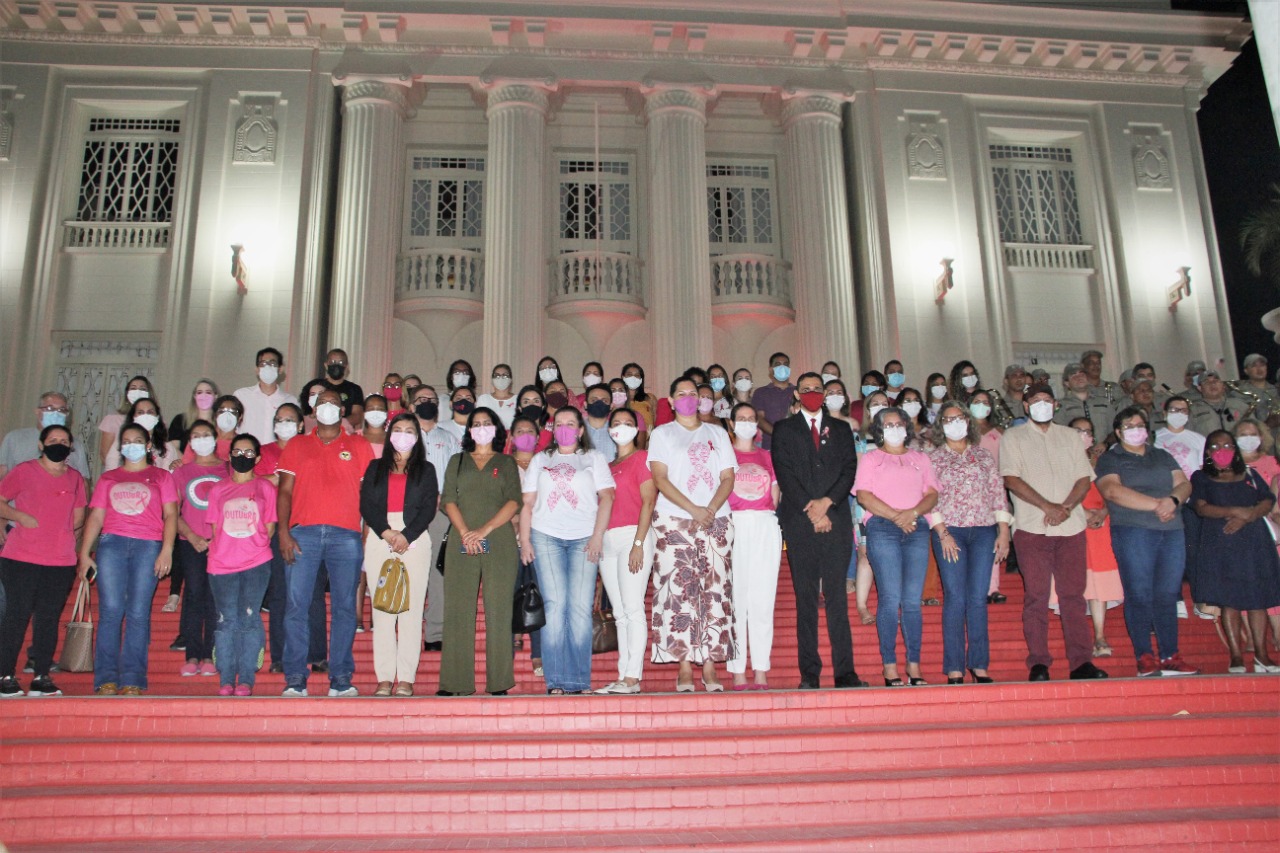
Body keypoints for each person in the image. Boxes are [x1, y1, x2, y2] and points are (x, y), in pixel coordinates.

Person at [1000, 383, 1108, 681]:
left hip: (1071, 527)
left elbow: (1084, 478)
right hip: (1032, 527)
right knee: (1036, 596)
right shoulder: (1013, 436)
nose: (1042, 405)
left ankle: (1081, 662)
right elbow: (1011, 478)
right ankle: (1039, 662)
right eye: (1035, 401)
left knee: (1073, 596)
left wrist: (1067, 507)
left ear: (1056, 404)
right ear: (1025, 406)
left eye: (1047, 400)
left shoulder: (1071, 436)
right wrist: (1048, 507)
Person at [276, 387, 375, 697]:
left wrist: (366, 533)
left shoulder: (358, 445)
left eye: (334, 402)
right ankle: (295, 678)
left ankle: (341, 678)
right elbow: (285, 492)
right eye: (322, 403)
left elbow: (369, 495)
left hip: (346, 535)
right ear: (312, 409)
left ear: (343, 410)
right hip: (302, 533)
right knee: (297, 607)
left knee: (345, 608)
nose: (328, 407)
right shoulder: (297, 444)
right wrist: (283, 532)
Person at [773, 372, 863, 689]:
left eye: (818, 389)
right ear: (796, 394)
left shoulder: (840, 429)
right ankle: (809, 673)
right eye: (806, 389)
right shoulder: (784, 430)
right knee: (806, 599)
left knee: (837, 598)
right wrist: (811, 509)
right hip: (800, 523)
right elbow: (784, 473)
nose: (812, 393)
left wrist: (827, 503)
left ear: (825, 394)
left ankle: (845, 672)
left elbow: (849, 469)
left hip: (836, 520)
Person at [648, 376, 737, 691]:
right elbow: (660, 478)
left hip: (716, 519)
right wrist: (693, 509)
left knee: (715, 591)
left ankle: (710, 665)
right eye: (681, 394)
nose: (688, 398)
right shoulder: (662, 434)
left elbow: (727, 477)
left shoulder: (717, 432)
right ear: (671, 401)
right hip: (674, 520)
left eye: (693, 394)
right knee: (680, 591)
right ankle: (684, 665)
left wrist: (709, 510)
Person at [520, 406, 615, 694]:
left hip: (585, 538)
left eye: (570, 423)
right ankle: (556, 680)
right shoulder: (540, 459)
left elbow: (607, 498)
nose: (564, 427)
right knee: (555, 604)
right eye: (558, 423)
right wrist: (525, 541)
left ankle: (578, 679)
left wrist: (598, 537)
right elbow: (527, 504)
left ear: (580, 430)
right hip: (546, 537)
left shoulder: (594, 458)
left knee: (579, 609)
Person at [1095, 407, 1197, 676]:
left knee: (1167, 594)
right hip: (1134, 530)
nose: (1136, 429)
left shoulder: (1161, 454)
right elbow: (1112, 491)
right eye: (1129, 425)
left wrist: (1173, 501)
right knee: (1139, 594)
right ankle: (1144, 656)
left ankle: (1170, 655)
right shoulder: (1110, 458)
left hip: (1171, 530)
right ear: (1118, 431)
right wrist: (1157, 505)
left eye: (1140, 424)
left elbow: (1184, 484)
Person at [79, 422, 179, 695]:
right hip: (112, 545)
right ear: (121, 447)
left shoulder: (161, 476)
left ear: (148, 446)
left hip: (148, 546)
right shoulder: (109, 478)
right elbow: (96, 516)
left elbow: (171, 514)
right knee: (111, 611)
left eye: (138, 440)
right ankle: (106, 678)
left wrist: (167, 549)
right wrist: (84, 554)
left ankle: (133, 678)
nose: (132, 444)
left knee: (137, 612)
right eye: (127, 440)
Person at [926, 401, 1011, 684]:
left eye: (959, 418)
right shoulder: (933, 458)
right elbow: (928, 497)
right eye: (948, 419)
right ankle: (954, 667)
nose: (955, 423)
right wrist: (942, 532)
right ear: (941, 426)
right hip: (950, 532)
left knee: (977, 598)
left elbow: (997, 492)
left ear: (968, 421)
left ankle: (979, 663)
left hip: (984, 530)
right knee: (955, 597)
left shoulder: (983, 456)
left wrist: (1003, 530)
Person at [854, 407, 940, 686]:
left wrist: (911, 514)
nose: (894, 428)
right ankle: (889, 665)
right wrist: (896, 516)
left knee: (912, 601)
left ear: (906, 426)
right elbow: (864, 496)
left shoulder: (920, 458)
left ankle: (913, 664)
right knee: (890, 598)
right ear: (879, 429)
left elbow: (932, 494)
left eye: (898, 423)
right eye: (887, 424)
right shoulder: (871, 458)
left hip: (916, 528)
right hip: (882, 527)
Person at [0, 425, 87, 698]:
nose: (58, 444)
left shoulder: (74, 478)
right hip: (21, 557)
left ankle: (41, 676)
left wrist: (63, 534)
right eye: (52, 440)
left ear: (71, 446)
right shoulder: (25, 470)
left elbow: (79, 515)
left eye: (64, 441)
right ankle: (5, 675)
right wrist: (20, 516)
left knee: (48, 618)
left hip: (60, 560)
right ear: (41, 445)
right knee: (16, 615)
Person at [440, 407, 522, 695]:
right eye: (476, 424)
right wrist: (465, 533)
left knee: (498, 610)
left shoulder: (506, 462)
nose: (482, 427)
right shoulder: (457, 461)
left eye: (487, 423)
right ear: (469, 430)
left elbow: (514, 501)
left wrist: (483, 531)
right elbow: (448, 499)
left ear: (497, 429)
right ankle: (455, 682)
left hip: (497, 540)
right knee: (458, 609)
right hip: (462, 541)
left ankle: (499, 681)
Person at [359, 412, 438, 697]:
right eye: (398, 430)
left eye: (409, 431)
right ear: (390, 434)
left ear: (417, 438)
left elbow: (429, 508)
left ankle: (405, 677)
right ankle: (384, 677)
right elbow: (366, 504)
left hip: (414, 539)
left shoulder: (426, 470)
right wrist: (387, 532)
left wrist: (407, 535)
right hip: (381, 537)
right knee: (382, 611)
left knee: (410, 612)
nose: (403, 435)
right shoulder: (374, 467)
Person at [1190, 431, 1280, 673]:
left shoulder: (1248, 473)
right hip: (1222, 543)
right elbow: (1201, 508)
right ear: (1208, 451)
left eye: (1228, 444)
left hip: (1254, 542)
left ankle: (1262, 656)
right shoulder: (1201, 477)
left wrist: (1248, 516)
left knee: (1258, 599)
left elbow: (1267, 499)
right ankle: (1236, 656)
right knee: (1229, 599)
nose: (1223, 449)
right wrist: (1237, 511)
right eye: (1216, 445)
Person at [205, 433, 277, 696]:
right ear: (230, 455)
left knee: (248, 617)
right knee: (225, 620)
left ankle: (246, 678)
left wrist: (252, 548)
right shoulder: (218, 489)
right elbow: (215, 528)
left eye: (249, 453)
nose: (242, 457)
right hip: (221, 564)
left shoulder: (265, 488)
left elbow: (269, 527)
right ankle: (226, 677)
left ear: (257, 458)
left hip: (256, 562)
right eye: (238, 451)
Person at [257, 404, 327, 673]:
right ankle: (280, 656)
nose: (284, 423)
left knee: (314, 594)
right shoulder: (264, 452)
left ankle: (317, 654)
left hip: (310, 525)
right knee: (280, 594)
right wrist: (271, 479)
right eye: (279, 420)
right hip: (274, 528)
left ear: (301, 424)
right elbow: (248, 479)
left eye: (290, 420)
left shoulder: (313, 447)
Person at [594, 408, 656, 694]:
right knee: (619, 612)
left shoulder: (642, 458)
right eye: (616, 423)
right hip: (608, 540)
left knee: (633, 609)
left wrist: (639, 544)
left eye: (627, 423)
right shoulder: (606, 465)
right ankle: (623, 676)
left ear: (637, 428)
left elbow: (648, 502)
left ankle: (633, 676)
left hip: (634, 534)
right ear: (609, 430)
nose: (621, 427)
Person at [726, 402, 782, 690]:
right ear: (732, 423)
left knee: (762, 600)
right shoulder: (723, 454)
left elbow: (775, 493)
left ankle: (761, 667)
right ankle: (737, 668)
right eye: (741, 418)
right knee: (736, 599)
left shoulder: (767, 456)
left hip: (764, 524)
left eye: (751, 418)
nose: (747, 422)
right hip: (734, 524)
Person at [172, 420, 227, 678]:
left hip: (220, 544)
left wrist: (217, 538)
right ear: (190, 441)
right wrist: (192, 535)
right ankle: (192, 655)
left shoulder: (227, 469)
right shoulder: (182, 472)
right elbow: (172, 512)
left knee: (215, 599)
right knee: (194, 596)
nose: (201, 439)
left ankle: (210, 655)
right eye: (196, 435)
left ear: (215, 438)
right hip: (190, 542)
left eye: (206, 435)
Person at [408, 384, 461, 652]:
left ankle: (434, 634)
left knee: (439, 573)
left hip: (441, 513)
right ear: (411, 406)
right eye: (420, 399)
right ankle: (407, 632)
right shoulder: (402, 437)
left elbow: (457, 474)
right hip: (409, 514)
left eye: (431, 399)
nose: (426, 403)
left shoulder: (449, 438)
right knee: (411, 573)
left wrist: (447, 499)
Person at [1069, 417, 1124, 659]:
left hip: (1102, 524)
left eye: (1088, 431)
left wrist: (1102, 512)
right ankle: (1080, 640)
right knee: (1079, 581)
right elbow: (1057, 490)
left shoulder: (1103, 461)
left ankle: (1100, 636)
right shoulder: (1061, 460)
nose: (1084, 435)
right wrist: (1082, 512)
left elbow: (1114, 491)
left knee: (1100, 583)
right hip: (1072, 521)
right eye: (1078, 431)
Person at [508, 414, 545, 676]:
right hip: (508, 538)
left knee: (539, 596)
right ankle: (508, 647)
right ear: (511, 436)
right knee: (510, 594)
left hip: (540, 537)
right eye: (519, 430)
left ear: (538, 435)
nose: (525, 434)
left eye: (530, 430)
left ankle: (539, 654)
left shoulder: (547, 463)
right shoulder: (502, 465)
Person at [0, 391, 91, 481]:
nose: (56, 414)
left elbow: (83, 482)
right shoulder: (15, 438)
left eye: (61, 410)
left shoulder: (75, 444)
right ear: (38, 412)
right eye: (50, 409)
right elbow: (2, 473)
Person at [234, 347, 299, 446]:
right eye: (263, 364)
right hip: (248, 455)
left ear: (280, 369)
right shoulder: (241, 396)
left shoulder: (290, 401)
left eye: (272, 364)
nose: (267, 367)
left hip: (278, 456)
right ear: (257, 369)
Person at [97, 375, 156, 471]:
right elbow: (105, 455)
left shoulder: (156, 422)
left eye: (142, 389)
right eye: (133, 388)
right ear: (127, 394)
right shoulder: (112, 420)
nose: (138, 391)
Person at [105, 397, 180, 471]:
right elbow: (110, 471)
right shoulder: (121, 443)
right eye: (140, 412)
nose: (145, 416)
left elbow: (165, 477)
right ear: (133, 417)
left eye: (150, 412)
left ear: (157, 417)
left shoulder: (167, 448)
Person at [299, 348, 365, 429]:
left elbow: (357, 416)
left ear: (346, 366)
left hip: (344, 432)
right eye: (332, 362)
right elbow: (306, 411)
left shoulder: (355, 389)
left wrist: (337, 425)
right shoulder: (315, 385)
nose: (336, 365)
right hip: (316, 430)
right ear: (326, 365)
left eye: (340, 362)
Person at [1054, 362, 1113, 442]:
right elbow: (1058, 433)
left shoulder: (1104, 402)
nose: (1079, 377)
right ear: (1067, 383)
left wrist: (1105, 444)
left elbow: (1114, 430)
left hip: (1103, 452)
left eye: (1082, 374)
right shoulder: (1061, 405)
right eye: (1073, 375)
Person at [752, 352, 795, 450]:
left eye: (785, 364)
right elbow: (759, 418)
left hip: (795, 446)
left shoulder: (798, 392)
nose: (782, 367)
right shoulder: (760, 392)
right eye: (778, 364)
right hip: (770, 446)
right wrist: (778, 433)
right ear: (771, 369)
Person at [1155, 396, 1205, 480]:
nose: (1179, 413)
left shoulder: (1199, 439)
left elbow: (1201, 467)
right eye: (1174, 410)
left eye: (1183, 410)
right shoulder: (1154, 437)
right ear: (1165, 413)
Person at [1188, 371, 1248, 436]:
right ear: (1200, 388)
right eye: (1207, 382)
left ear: (1223, 385)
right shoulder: (1193, 411)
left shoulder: (1240, 405)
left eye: (1216, 381)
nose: (1212, 384)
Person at [167, 379, 219, 454]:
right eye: (199, 392)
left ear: (215, 396)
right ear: (194, 396)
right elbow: (173, 448)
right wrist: (186, 462)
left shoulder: (220, 422)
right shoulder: (181, 420)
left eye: (208, 392)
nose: (203, 396)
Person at [621, 363, 657, 441]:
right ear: (623, 377)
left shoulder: (650, 398)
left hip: (648, 445)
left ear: (641, 379)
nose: (633, 377)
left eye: (637, 375)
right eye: (629, 374)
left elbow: (654, 422)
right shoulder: (619, 400)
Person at [582, 385, 617, 462]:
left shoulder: (617, 430)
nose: (599, 403)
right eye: (594, 400)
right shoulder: (576, 429)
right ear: (585, 405)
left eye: (604, 401)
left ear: (611, 406)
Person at [476, 363, 518, 428]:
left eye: (505, 376)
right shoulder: (484, 399)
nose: (501, 378)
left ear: (511, 380)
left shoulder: (517, 399)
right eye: (497, 376)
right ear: (492, 380)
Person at [361, 393, 389, 458]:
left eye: (380, 409)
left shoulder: (392, 438)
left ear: (386, 413)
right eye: (371, 409)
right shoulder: (355, 436)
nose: (375, 412)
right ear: (364, 413)